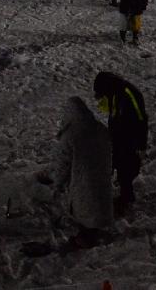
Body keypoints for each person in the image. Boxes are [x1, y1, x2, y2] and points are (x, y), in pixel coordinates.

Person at [50, 96, 114, 248]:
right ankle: (93, 232)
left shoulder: (71, 135)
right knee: (97, 205)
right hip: (101, 176)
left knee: (85, 208)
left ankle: (86, 239)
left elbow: (63, 164)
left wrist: (57, 183)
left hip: (82, 180)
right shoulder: (100, 128)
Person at [93, 72, 148, 212]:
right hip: (118, 135)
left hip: (130, 137)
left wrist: (141, 144)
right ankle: (124, 193)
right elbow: (113, 114)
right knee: (118, 162)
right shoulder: (114, 93)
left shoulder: (128, 94)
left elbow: (141, 119)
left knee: (126, 166)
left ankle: (127, 197)